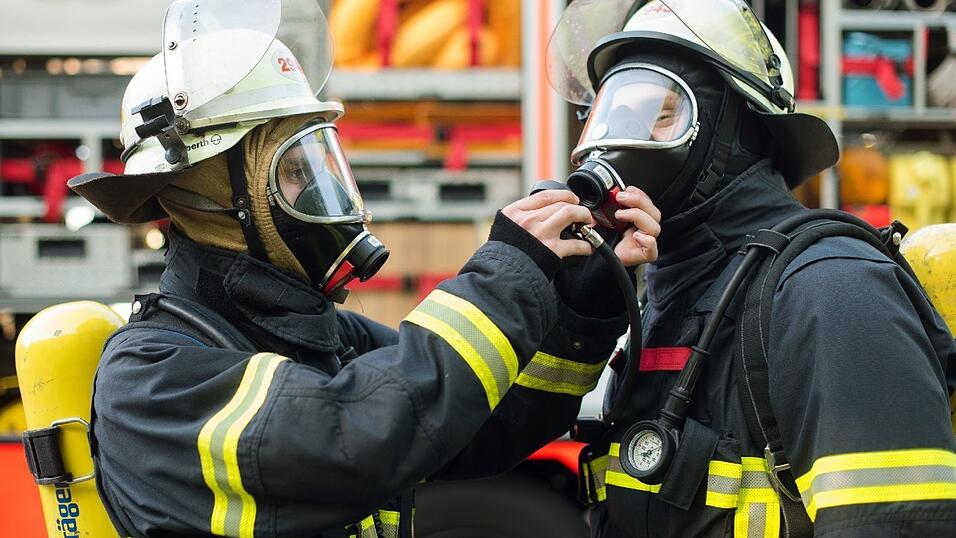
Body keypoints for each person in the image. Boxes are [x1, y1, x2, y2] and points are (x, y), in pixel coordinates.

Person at [65, 1, 663, 537]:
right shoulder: (154, 380)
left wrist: (579, 305)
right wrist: (507, 271)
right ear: (208, 199)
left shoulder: (310, 333)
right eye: (293, 173)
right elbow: (364, 435)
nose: (322, 194)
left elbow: (473, 421)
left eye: (321, 163)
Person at [546, 0, 956, 536]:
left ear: (731, 133)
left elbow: (894, 523)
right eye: (611, 115)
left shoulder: (832, 289)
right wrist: (572, 310)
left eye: (658, 114)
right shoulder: (664, 295)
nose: (619, 141)